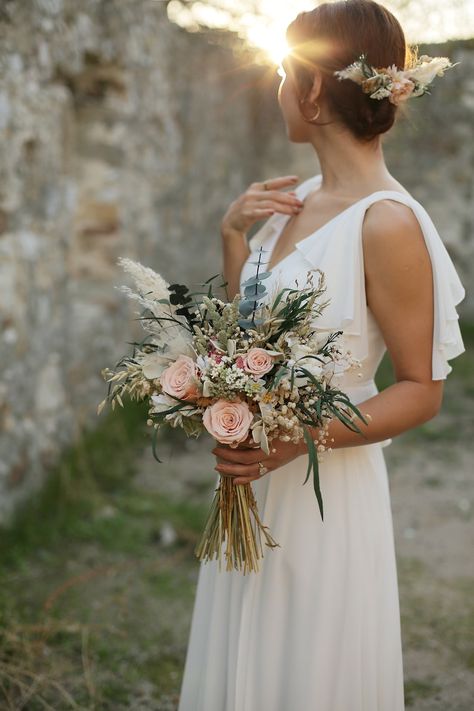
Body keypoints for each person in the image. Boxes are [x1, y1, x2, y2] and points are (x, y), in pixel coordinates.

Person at [178, 1, 465, 709]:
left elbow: (421, 390)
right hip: (254, 478)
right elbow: (253, 328)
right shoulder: (297, 197)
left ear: (313, 92)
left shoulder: (388, 223)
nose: (276, 88)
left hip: (322, 483)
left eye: (283, 73)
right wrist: (232, 238)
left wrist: (288, 443)